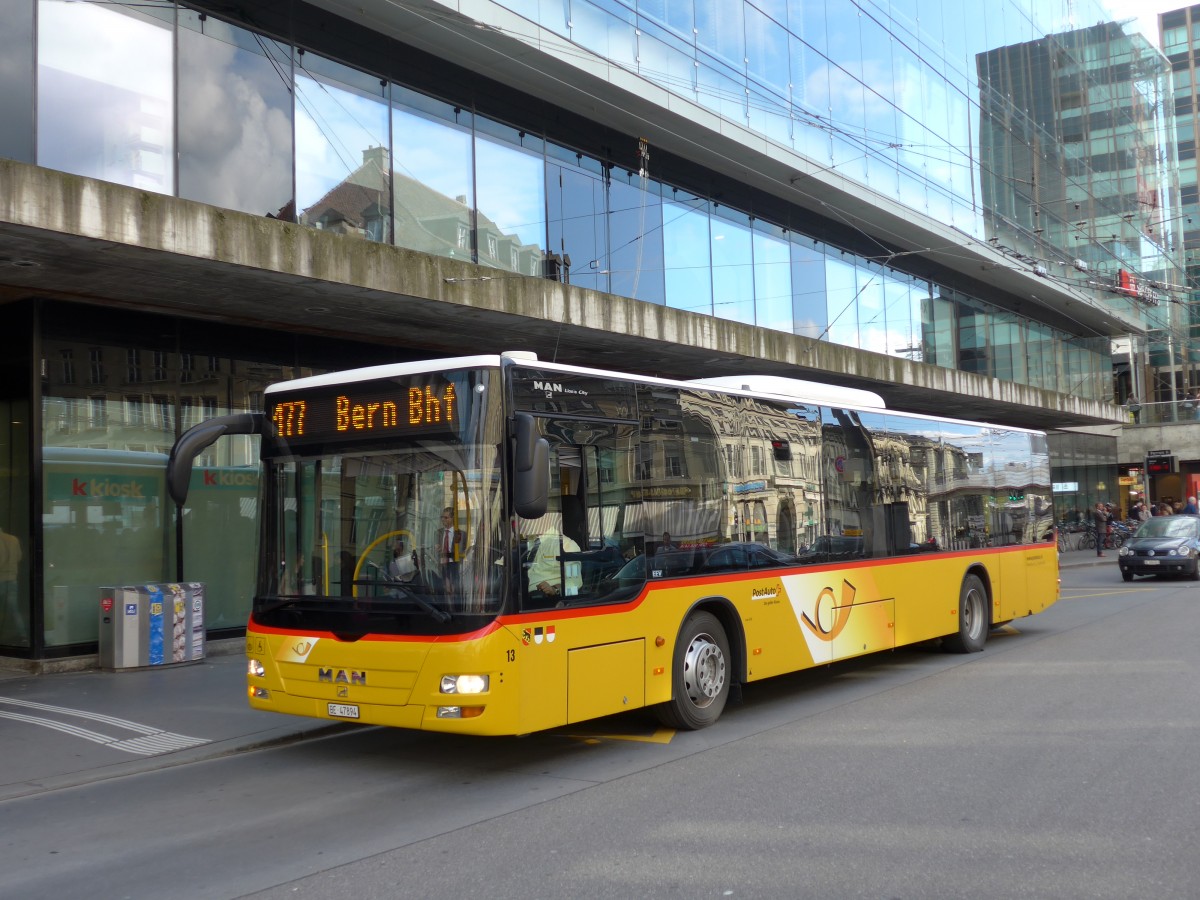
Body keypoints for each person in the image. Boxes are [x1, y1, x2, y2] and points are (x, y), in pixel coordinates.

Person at [527, 529, 582, 603]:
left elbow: (574, 583)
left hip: (546, 600)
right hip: (522, 591)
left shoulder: (567, 545)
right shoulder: (532, 539)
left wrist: (554, 589)